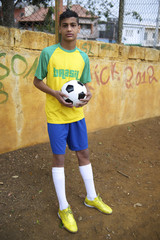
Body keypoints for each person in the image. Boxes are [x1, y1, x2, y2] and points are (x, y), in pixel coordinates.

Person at [33, 8, 112, 233]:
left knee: (84, 155)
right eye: (65, 25)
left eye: (73, 25)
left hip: (77, 116)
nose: (69, 29)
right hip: (56, 117)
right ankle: (63, 207)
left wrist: (89, 93)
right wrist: (56, 93)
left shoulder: (83, 57)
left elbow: (85, 84)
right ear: (59, 28)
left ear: (79, 28)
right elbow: (37, 81)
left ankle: (91, 197)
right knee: (59, 160)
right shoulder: (48, 53)